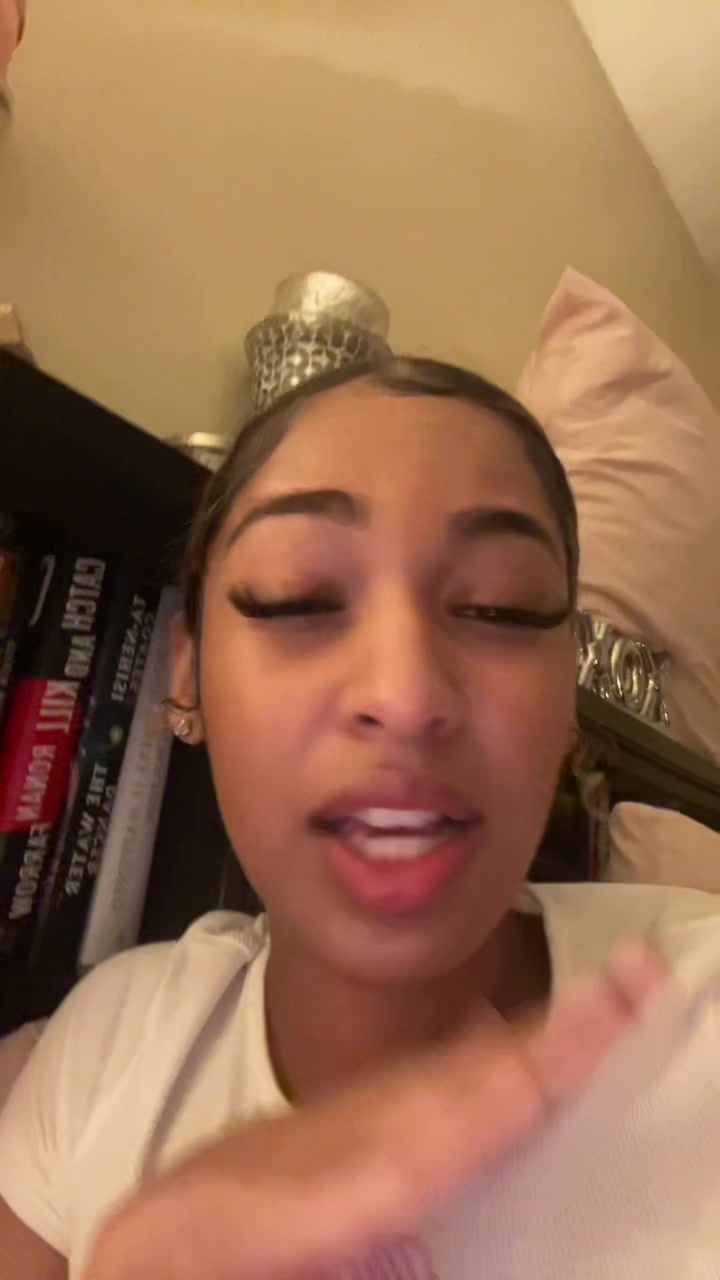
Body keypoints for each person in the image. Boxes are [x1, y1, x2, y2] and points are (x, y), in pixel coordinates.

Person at [0, 356, 718, 1280]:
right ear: (188, 674)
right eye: (297, 596)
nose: (405, 695)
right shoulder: (101, 1051)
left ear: (566, 706)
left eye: (501, 606)